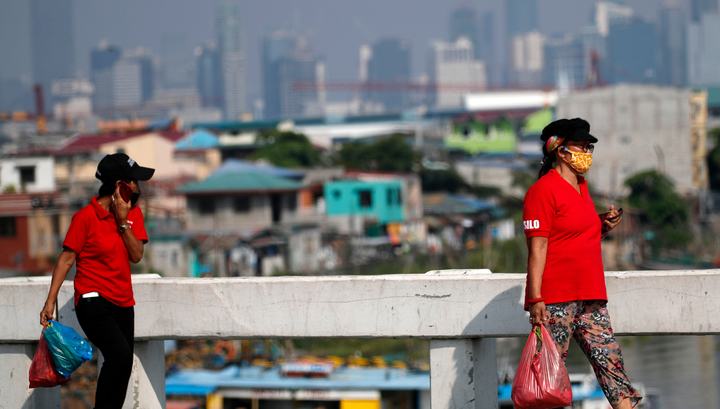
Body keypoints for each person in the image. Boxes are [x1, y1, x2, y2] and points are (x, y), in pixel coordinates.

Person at [523, 118, 642, 409]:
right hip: (555, 300)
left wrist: (601, 224)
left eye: (589, 147)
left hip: (591, 298)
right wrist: (536, 298)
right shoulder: (542, 191)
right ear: (559, 150)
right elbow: (538, 248)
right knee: (546, 379)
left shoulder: (582, 188)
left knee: (613, 369)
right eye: (582, 146)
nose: (587, 152)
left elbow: (573, 234)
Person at [40, 153, 154, 409]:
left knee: (123, 363)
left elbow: (136, 255)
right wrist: (50, 302)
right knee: (120, 354)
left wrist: (123, 221)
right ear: (119, 184)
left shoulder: (134, 215)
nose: (137, 187)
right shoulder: (85, 218)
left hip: (123, 300)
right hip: (92, 300)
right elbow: (67, 260)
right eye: (133, 181)